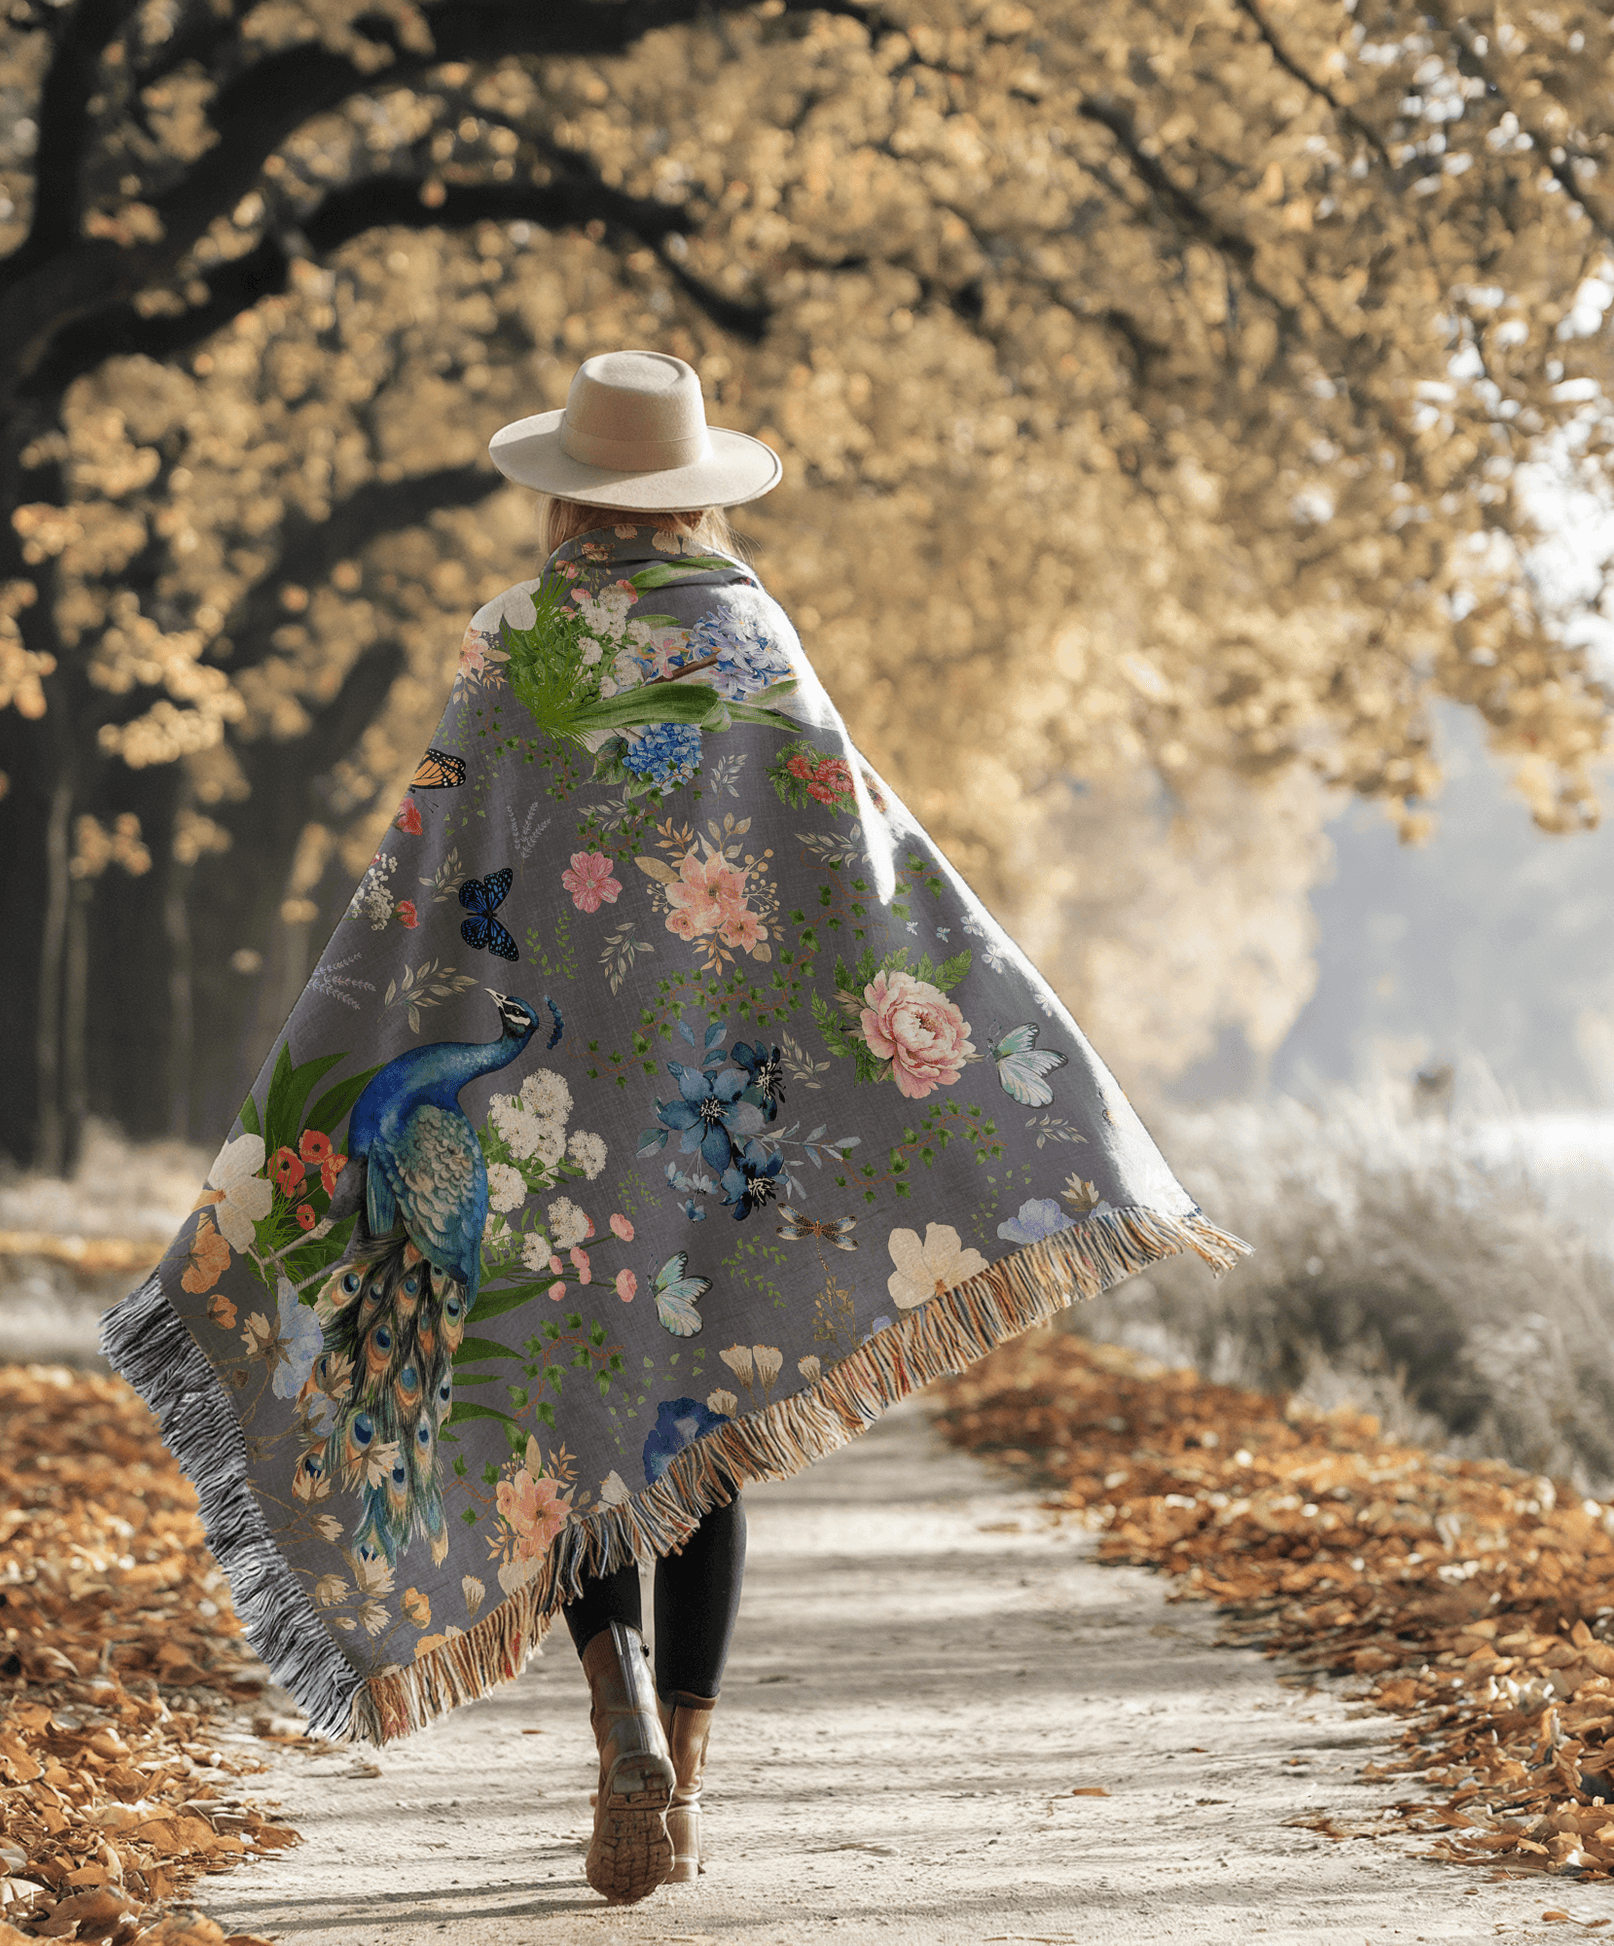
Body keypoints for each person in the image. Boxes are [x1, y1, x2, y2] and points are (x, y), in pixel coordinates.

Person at [103, 350, 1241, 1911]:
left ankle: (615, 1711)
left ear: (565, 491)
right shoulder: (752, 635)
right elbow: (857, 860)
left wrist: (357, 1042)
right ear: (692, 492)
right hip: (720, 1113)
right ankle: (681, 1778)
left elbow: (424, 873)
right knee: (694, 1430)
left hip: (543, 1111)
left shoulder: (512, 638)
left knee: (565, 1426)